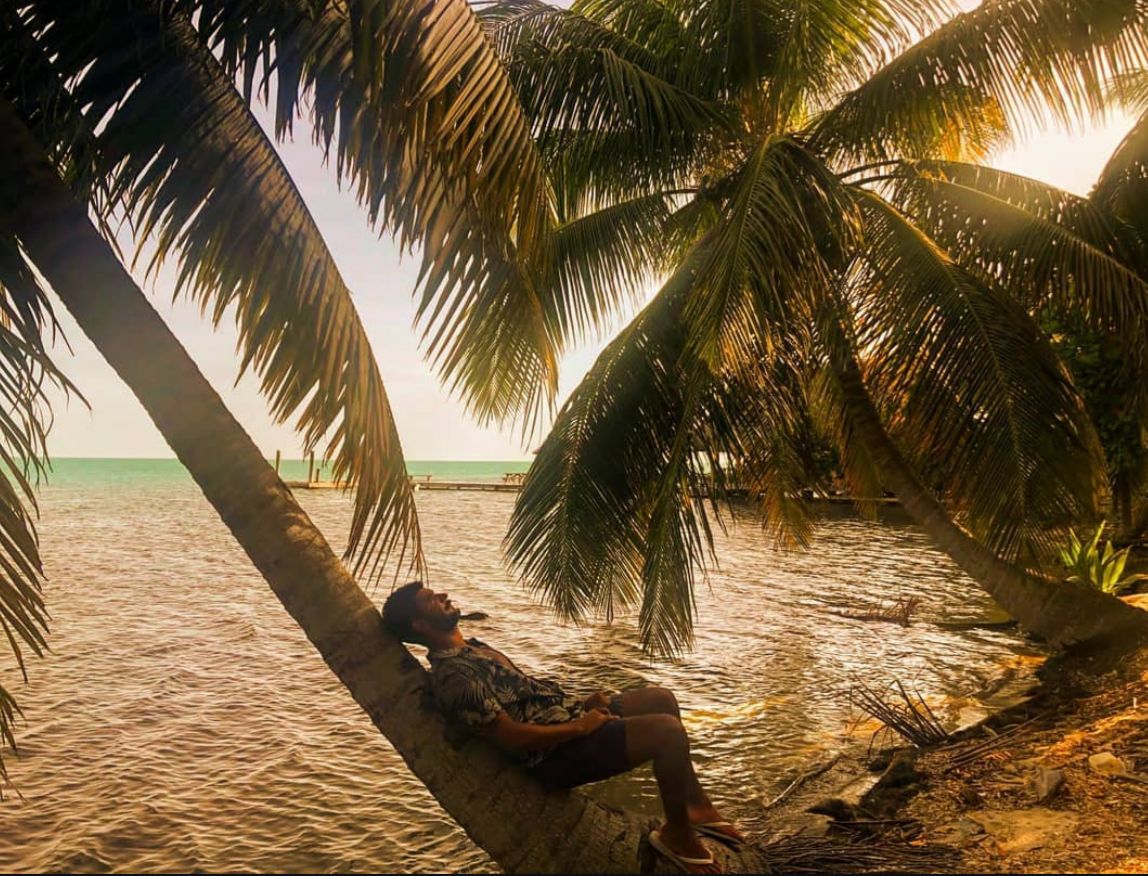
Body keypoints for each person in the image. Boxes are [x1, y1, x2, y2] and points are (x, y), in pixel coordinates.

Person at [382, 581, 744, 875]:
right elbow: (511, 737)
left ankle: (696, 807)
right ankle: (677, 835)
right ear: (419, 625)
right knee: (666, 733)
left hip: (569, 722)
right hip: (553, 756)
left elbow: (526, 698)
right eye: (430, 599)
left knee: (661, 699)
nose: (442, 595)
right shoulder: (455, 677)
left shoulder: (473, 648)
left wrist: (583, 706)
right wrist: (581, 727)